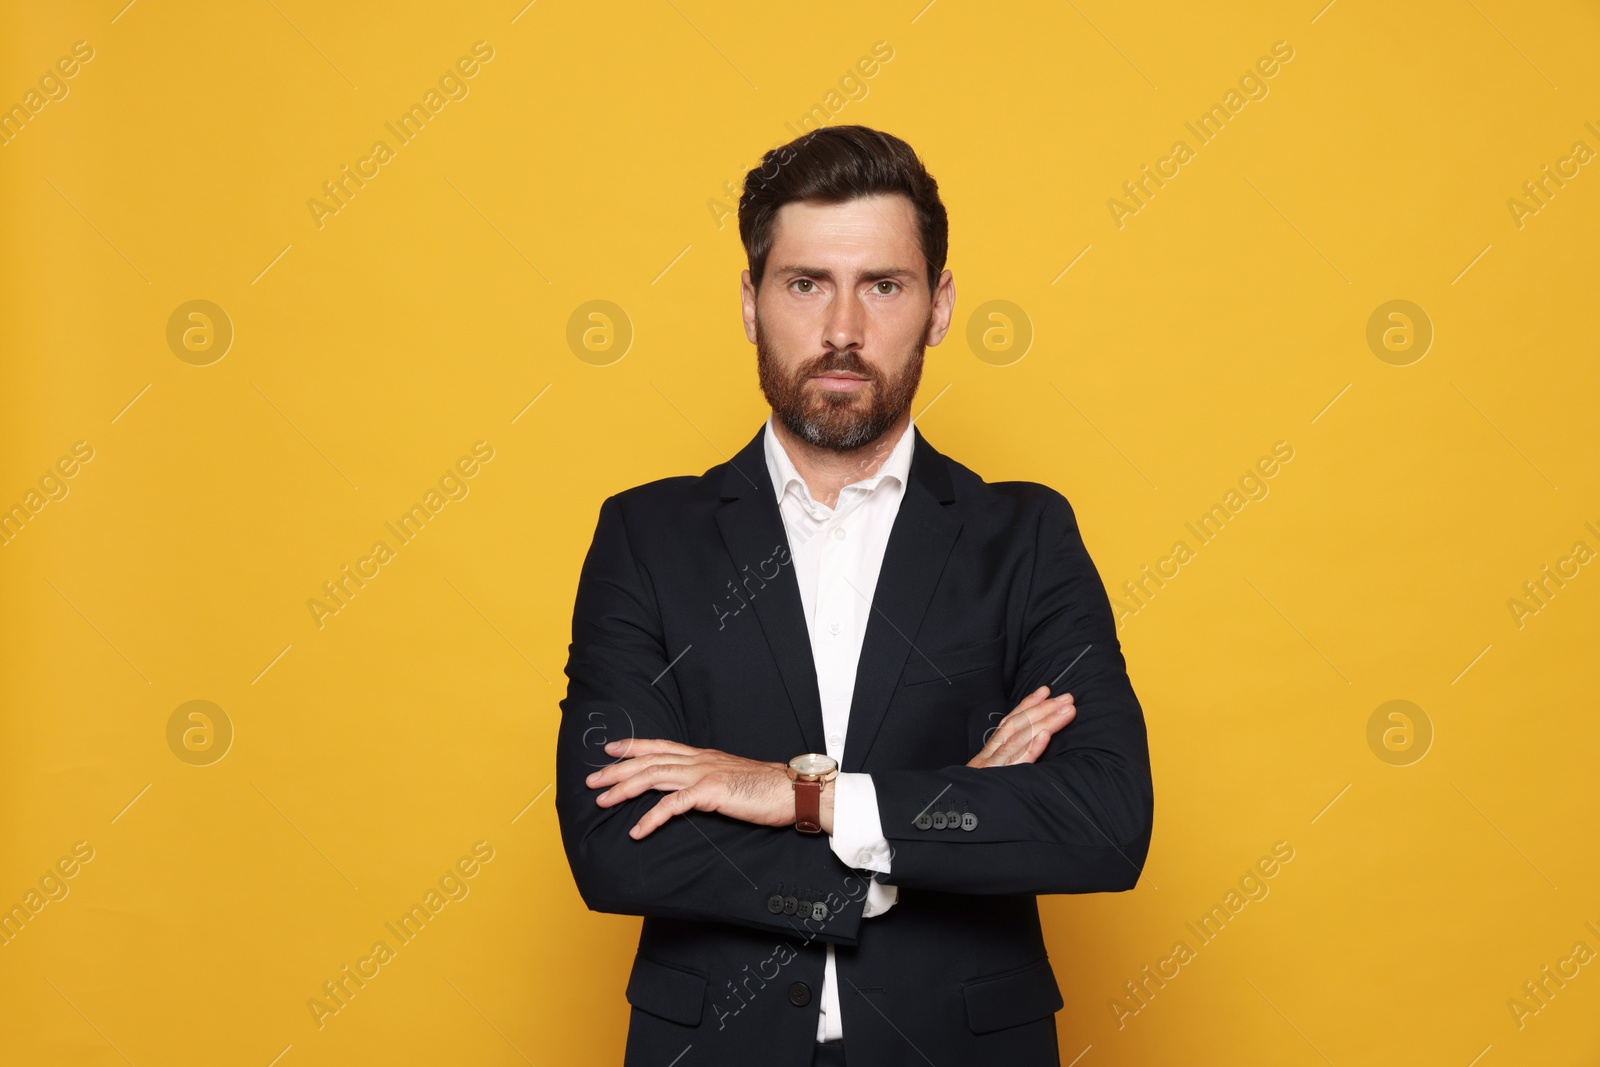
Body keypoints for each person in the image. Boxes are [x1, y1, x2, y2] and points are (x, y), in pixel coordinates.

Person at [556, 125, 1154, 1067]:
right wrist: (926, 832)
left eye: (883, 284)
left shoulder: (1027, 538)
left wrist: (803, 797)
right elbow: (614, 839)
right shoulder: (646, 537)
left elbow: (1103, 821)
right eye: (806, 284)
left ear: (940, 305)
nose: (843, 328)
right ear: (751, 304)